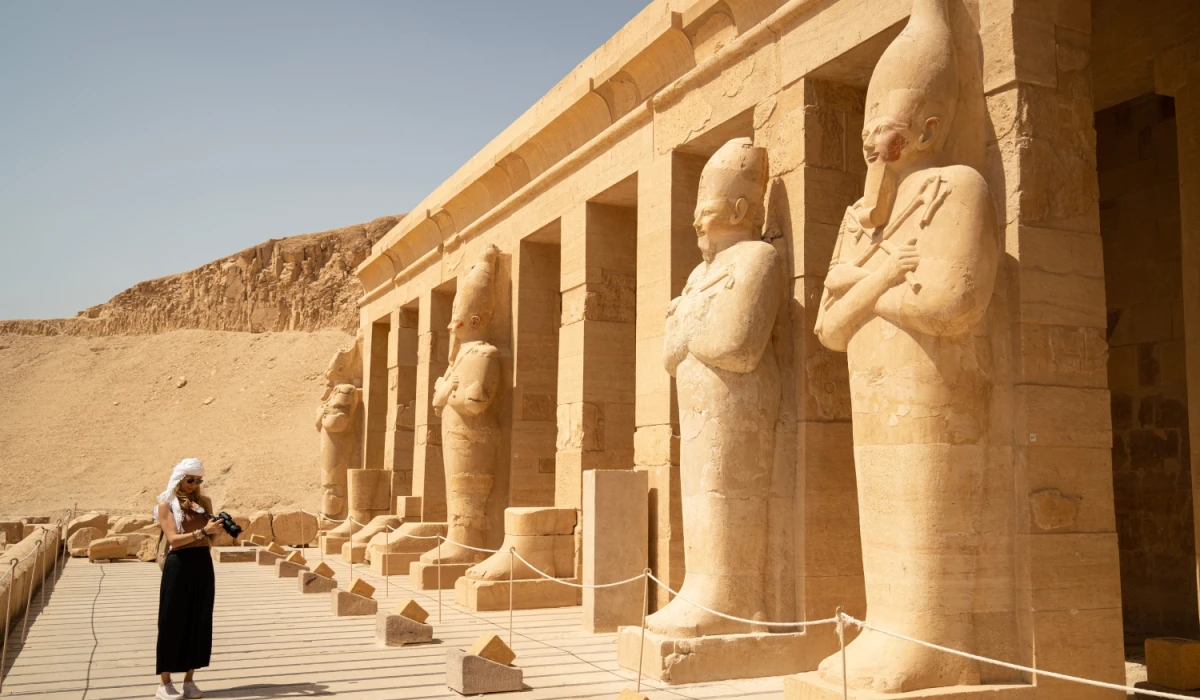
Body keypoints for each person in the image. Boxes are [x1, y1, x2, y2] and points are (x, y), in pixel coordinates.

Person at [154, 458, 222, 700]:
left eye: (198, 480)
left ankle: (190, 680)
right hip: (178, 565)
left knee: (199, 620)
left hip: (202, 563)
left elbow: (211, 541)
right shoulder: (166, 505)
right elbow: (173, 539)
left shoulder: (203, 504)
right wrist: (203, 531)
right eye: (190, 479)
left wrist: (217, 532)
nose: (194, 484)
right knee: (172, 621)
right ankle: (164, 683)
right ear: (179, 479)